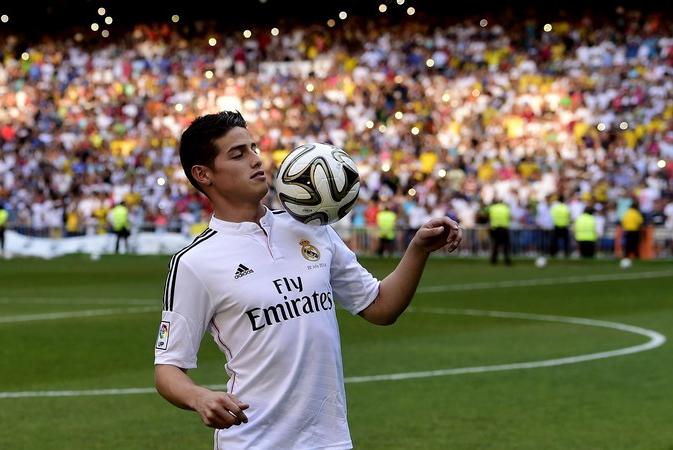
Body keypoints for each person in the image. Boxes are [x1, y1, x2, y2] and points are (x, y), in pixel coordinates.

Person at [153, 110, 462, 450]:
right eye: (238, 154)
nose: (257, 160)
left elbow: (380, 307)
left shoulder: (312, 228)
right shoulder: (195, 262)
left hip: (330, 441)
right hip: (253, 441)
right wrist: (198, 397)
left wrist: (418, 249)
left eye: (254, 148)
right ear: (204, 174)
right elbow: (168, 368)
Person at [488, 197, 511, 265]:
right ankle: (507, 260)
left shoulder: (493, 208)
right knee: (506, 246)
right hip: (504, 228)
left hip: (496, 228)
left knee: (495, 245)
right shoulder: (506, 208)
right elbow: (509, 217)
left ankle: (494, 260)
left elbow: (490, 217)